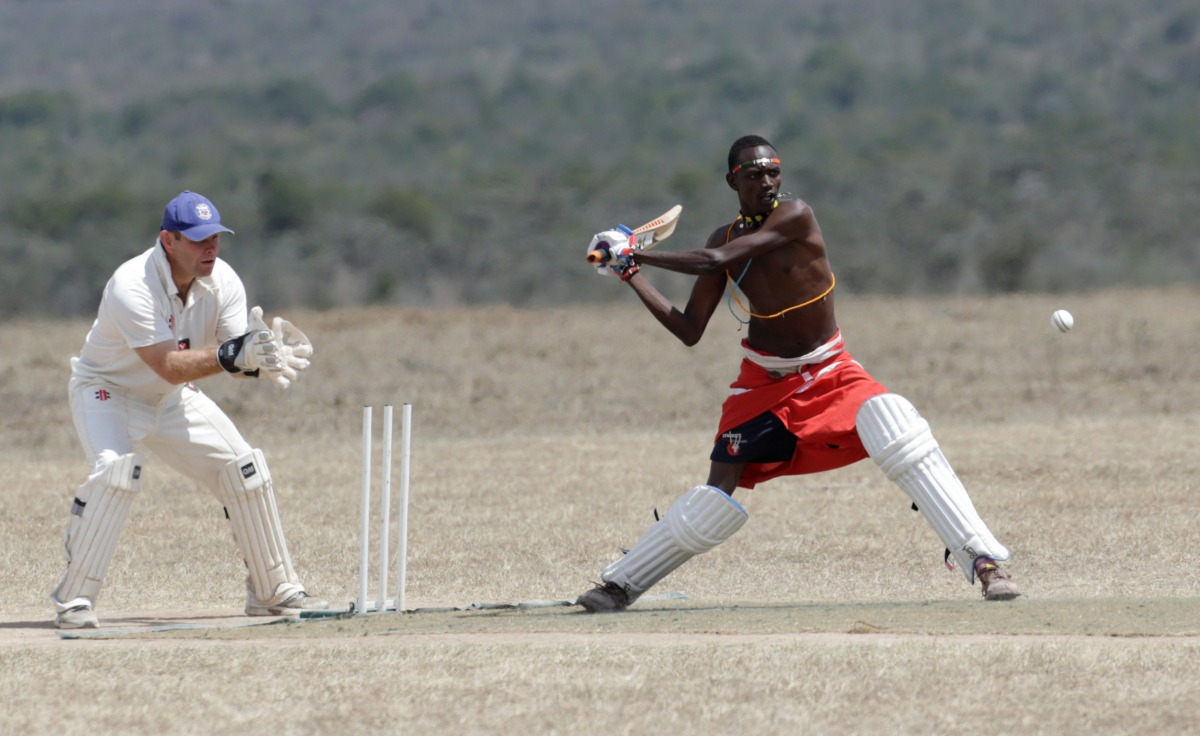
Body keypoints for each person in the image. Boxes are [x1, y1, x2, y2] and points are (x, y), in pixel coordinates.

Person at [576, 135, 1020, 612]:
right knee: (714, 496)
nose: (766, 181)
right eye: (753, 174)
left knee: (897, 426)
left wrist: (634, 253)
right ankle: (617, 587)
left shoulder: (795, 215)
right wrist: (630, 275)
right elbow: (688, 330)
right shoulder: (720, 238)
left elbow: (718, 262)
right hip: (762, 382)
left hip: (831, 368)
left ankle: (985, 565)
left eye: (773, 171)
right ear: (733, 181)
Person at [50, 190, 328, 629]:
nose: (211, 247)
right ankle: (75, 600)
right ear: (168, 240)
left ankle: (272, 589)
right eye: (198, 239)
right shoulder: (131, 285)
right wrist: (233, 356)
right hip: (108, 391)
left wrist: (259, 361)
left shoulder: (225, 281)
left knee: (243, 467)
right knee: (116, 473)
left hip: (171, 398)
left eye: (215, 237)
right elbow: (169, 365)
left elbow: (232, 361)